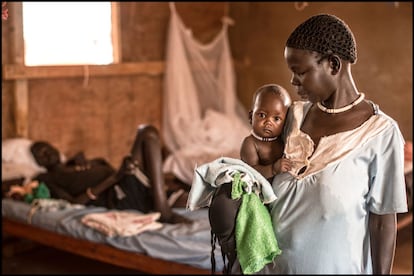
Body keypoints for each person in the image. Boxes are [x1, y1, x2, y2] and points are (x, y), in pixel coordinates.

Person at [208, 14, 408, 274]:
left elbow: (383, 221)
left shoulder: (380, 133)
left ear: (333, 65)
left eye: (300, 72)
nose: (292, 82)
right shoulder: (293, 116)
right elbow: (256, 166)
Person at [29, 124, 191, 224]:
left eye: (47, 148)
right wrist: (116, 177)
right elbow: (73, 203)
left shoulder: (78, 162)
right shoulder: (47, 179)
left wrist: (100, 164)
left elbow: (110, 168)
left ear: (55, 148)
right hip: (116, 195)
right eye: (40, 155)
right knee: (147, 133)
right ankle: (163, 209)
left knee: (147, 131)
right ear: (38, 163)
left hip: (127, 181)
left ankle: (160, 195)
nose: (47, 154)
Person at [240, 83, 292, 181]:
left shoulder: (283, 139)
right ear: (251, 117)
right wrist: (272, 170)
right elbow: (251, 172)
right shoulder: (250, 143)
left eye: (276, 118)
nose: (268, 122)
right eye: (262, 115)